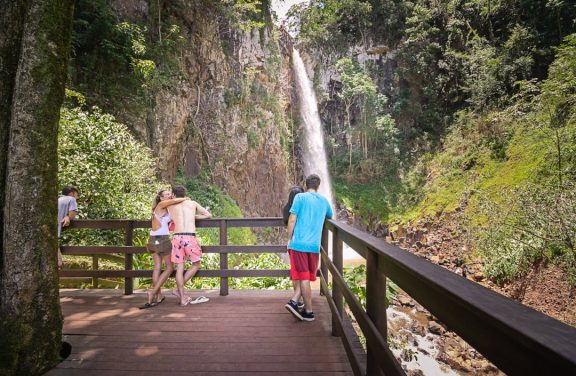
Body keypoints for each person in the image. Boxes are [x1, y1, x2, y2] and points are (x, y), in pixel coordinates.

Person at [285, 174, 333, 321]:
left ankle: (306, 309)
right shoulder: (324, 201)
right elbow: (330, 216)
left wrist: (288, 239)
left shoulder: (300, 198)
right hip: (314, 246)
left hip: (299, 244)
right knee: (306, 277)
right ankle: (298, 305)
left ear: (306, 185)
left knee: (303, 277)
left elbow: (292, 219)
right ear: (318, 186)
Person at [140, 189, 189, 309]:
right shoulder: (161, 205)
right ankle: (153, 291)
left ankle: (159, 296)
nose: (169, 195)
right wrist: (186, 198)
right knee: (169, 267)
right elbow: (178, 200)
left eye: (170, 193)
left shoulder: (164, 208)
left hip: (153, 239)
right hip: (161, 239)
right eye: (167, 194)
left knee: (157, 268)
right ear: (161, 198)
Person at [165, 185, 212, 306]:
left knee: (180, 267)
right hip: (189, 237)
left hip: (177, 237)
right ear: (184, 194)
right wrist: (193, 216)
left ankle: (182, 298)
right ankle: (177, 290)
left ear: (174, 195)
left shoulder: (170, 205)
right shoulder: (192, 203)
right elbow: (208, 215)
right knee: (196, 264)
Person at [282, 185, 305, 309]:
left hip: (291, 243)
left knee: (295, 272)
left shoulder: (286, 209)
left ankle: (297, 298)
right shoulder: (302, 209)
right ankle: (296, 299)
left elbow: (288, 222)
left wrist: (289, 238)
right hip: (301, 243)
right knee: (303, 273)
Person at [57, 186, 79, 268]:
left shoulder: (58, 199)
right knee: (58, 263)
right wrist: (68, 217)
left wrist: (67, 216)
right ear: (71, 193)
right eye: (76, 195)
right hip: (54, 232)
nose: (77, 197)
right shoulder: (71, 199)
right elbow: (72, 215)